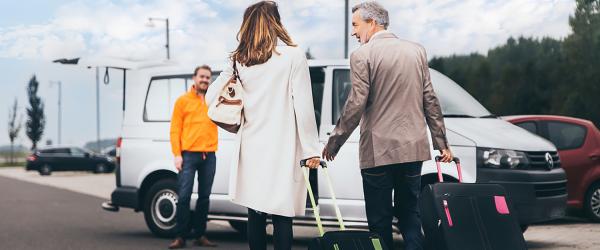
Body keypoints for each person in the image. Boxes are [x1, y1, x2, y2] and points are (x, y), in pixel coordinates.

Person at [322, 2, 453, 250]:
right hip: (413, 149)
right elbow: (430, 98)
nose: (353, 32)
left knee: (379, 223)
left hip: (378, 151)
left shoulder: (362, 55)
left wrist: (334, 142)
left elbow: (356, 102)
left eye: (355, 25)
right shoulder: (416, 51)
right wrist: (441, 144)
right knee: (410, 217)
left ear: (372, 23)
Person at [205, 1, 321, 249]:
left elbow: (210, 97)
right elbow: (304, 107)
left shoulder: (240, 60)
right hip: (283, 147)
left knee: (255, 215)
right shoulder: (293, 56)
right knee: (282, 215)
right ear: (276, 22)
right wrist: (312, 149)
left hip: (251, 148)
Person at [168, 65, 219, 249]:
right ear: (194, 78)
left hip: (209, 155)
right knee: (183, 196)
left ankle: (200, 235)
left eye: (208, 77)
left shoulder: (214, 100)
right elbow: (175, 129)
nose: (205, 80)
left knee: (204, 197)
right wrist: (177, 154)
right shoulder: (182, 101)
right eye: (202, 77)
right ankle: (180, 236)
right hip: (188, 155)